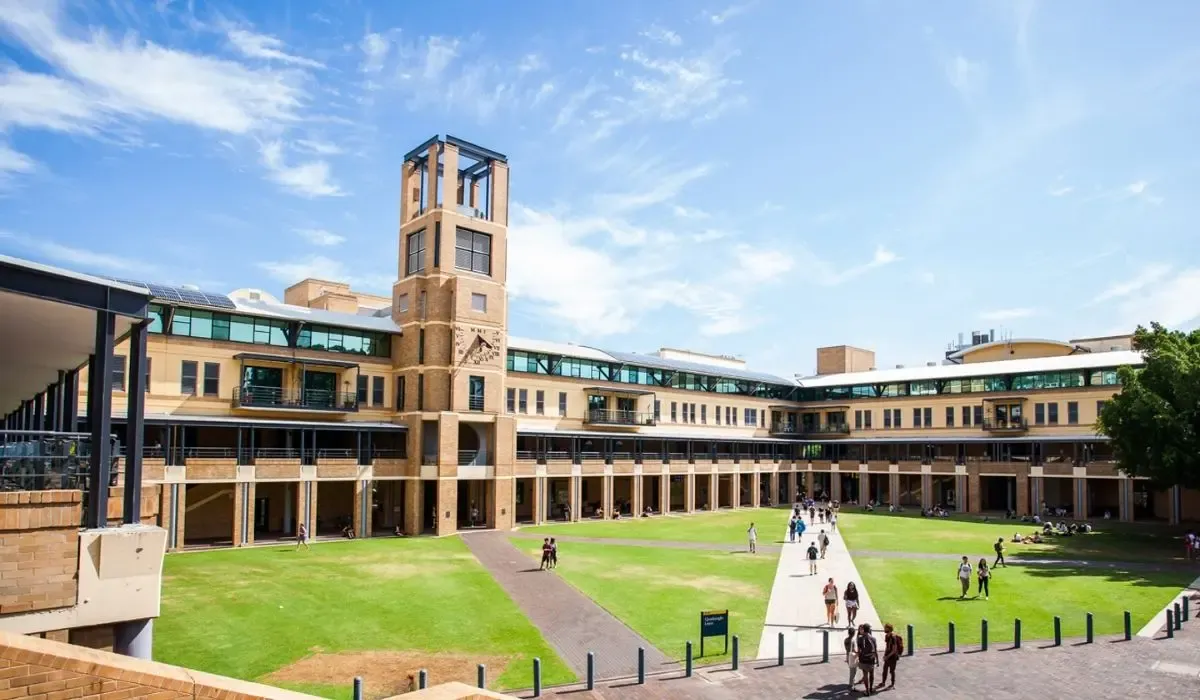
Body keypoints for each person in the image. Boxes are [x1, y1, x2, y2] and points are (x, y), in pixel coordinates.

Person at [857, 623, 879, 695]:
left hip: (863, 658)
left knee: (865, 674)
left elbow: (859, 650)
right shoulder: (873, 639)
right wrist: (877, 660)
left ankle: (867, 690)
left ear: (863, 629)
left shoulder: (860, 638)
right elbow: (875, 650)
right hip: (871, 658)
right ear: (869, 629)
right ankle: (871, 688)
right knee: (871, 674)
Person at [880, 623, 902, 690]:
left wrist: (887, 656)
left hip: (893, 657)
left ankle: (892, 684)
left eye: (885, 628)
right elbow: (887, 646)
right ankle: (883, 682)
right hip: (888, 656)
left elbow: (894, 649)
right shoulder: (887, 636)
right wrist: (885, 655)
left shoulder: (893, 637)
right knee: (885, 670)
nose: (884, 629)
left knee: (892, 671)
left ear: (888, 629)